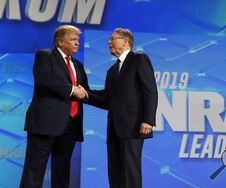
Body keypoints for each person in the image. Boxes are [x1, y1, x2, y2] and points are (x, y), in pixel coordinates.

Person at [20, 25, 89, 188]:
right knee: (34, 170)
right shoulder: (45, 56)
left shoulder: (78, 65)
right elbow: (44, 80)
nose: (77, 43)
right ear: (60, 42)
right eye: (73, 39)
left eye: (78, 39)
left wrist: (113, 100)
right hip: (45, 124)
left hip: (71, 125)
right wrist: (72, 90)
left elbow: (85, 92)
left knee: (62, 171)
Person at [87, 28, 158, 188]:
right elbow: (107, 100)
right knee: (115, 172)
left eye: (113, 38)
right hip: (113, 129)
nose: (108, 42)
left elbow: (150, 91)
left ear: (126, 41)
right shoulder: (111, 70)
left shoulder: (139, 59)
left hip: (133, 127)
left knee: (130, 172)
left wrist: (148, 120)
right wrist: (85, 95)